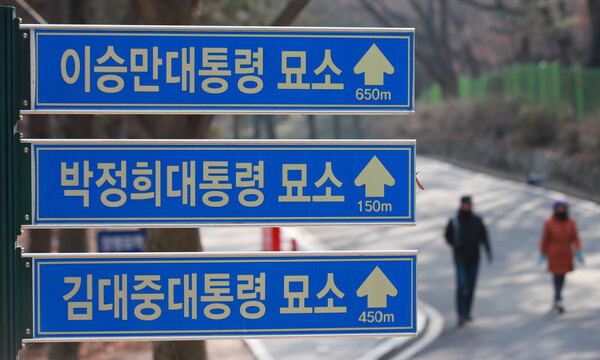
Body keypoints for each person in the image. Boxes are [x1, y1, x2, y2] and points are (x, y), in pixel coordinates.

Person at [445, 196, 492, 327]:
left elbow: (484, 236)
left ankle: (467, 312)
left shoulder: (477, 220)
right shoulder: (455, 220)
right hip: (460, 257)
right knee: (462, 285)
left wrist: (488, 251)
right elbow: (447, 236)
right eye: (465, 204)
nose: (467, 206)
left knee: (471, 286)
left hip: (474, 258)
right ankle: (460, 313)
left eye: (469, 204)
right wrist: (455, 244)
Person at [539, 198, 583, 314]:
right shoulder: (549, 222)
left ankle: (558, 296)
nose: (561, 210)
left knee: (562, 276)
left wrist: (578, 250)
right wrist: (543, 252)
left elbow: (575, 237)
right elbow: (545, 238)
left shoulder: (570, 222)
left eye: (563, 208)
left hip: (566, 253)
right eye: (559, 208)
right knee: (556, 276)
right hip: (554, 253)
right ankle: (558, 297)